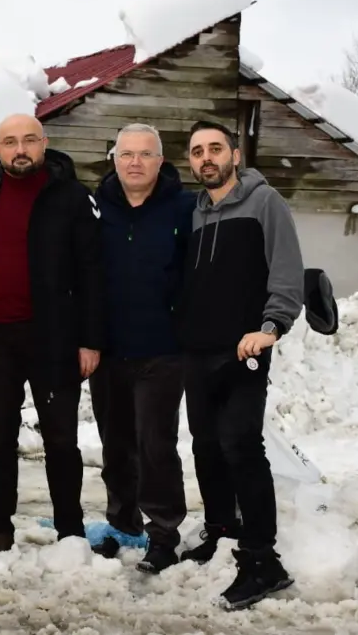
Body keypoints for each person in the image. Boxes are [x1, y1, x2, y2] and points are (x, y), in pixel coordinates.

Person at [0, 113, 103, 564]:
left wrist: (89, 339)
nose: (19, 149)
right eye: (9, 142)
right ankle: (0, 530)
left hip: (53, 338)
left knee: (61, 439)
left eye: (28, 140)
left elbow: (91, 272)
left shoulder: (71, 196)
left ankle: (70, 531)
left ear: (44, 144)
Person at [176, 119, 303, 610]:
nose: (206, 158)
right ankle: (221, 530)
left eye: (215, 148)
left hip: (244, 350)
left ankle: (262, 561)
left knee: (241, 446)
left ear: (234, 154)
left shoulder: (265, 202)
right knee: (206, 447)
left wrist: (270, 327)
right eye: (197, 151)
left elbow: (287, 270)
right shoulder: (195, 212)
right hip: (196, 350)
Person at [89, 123, 193, 573]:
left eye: (145, 154)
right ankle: (122, 524)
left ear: (160, 161)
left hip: (163, 349)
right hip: (108, 351)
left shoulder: (185, 208)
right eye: (126, 153)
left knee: (155, 443)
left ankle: (164, 534)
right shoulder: (94, 209)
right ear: (114, 158)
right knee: (115, 445)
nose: (135, 162)